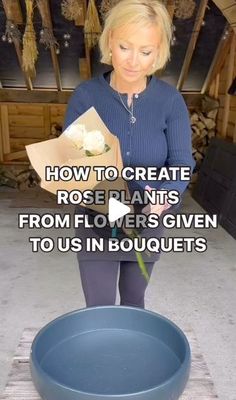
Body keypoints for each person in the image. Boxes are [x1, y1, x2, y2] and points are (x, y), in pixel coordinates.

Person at [63, 0, 195, 309]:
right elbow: (73, 163)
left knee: (135, 300)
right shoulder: (87, 96)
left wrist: (165, 197)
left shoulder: (170, 101)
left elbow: (181, 163)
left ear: (158, 51)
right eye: (125, 46)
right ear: (110, 41)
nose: (134, 61)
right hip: (97, 220)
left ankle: (129, 357)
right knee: (99, 305)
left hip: (149, 220)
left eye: (146, 51)